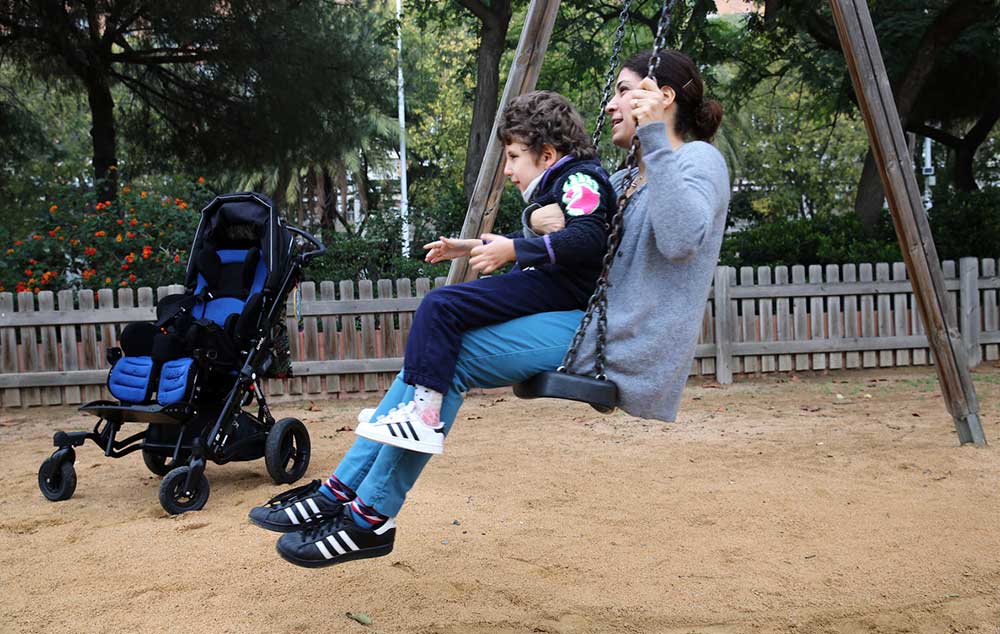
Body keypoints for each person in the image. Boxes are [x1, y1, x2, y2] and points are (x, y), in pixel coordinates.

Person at [248, 49, 730, 569]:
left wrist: (654, 136)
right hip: (580, 315)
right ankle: (343, 495)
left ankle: (367, 516)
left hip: (613, 337)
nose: (611, 105)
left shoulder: (697, 160)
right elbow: (571, 237)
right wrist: (522, 232)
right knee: (440, 344)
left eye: (623, 90)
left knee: (451, 353)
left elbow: (682, 240)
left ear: (663, 97)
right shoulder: (622, 178)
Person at [352, 90, 615, 456]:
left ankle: (423, 417)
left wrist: (514, 250)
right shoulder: (570, 180)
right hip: (555, 286)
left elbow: (588, 237)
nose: (507, 170)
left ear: (548, 155)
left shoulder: (580, 181)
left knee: (442, 305)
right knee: (448, 309)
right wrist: (472, 245)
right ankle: (410, 409)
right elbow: (561, 238)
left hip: (564, 291)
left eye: (513, 157)